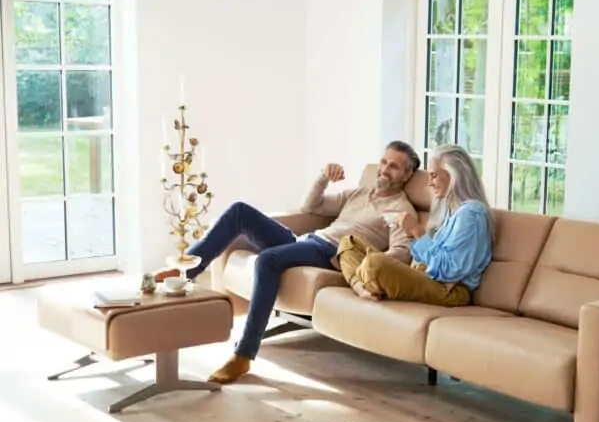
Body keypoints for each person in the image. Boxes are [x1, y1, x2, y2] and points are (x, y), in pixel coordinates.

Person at [154, 140, 421, 384]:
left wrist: (363, 263)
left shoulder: (400, 210)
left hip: (329, 256)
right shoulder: (361, 192)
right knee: (239, 212)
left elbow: (400, 252)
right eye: (384, 162)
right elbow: (311, 207)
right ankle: (186, 270)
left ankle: (244, 355)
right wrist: (323, 177)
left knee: (267, 260)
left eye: (394, 167)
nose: (385, 169)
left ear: (407, 175)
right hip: (307, 241)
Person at [337, 144, 494, 307]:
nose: (429, 183)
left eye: (433, 176)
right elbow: (424, 258)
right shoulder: (450, 209)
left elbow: (449, 270)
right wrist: (410, 235)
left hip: (450, 289)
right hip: (426, 276)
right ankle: (362, 288)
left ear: (453, 176)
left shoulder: (472, 214)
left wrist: (417, 231)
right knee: (349, 242)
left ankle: (366, 279)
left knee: (375, 263)